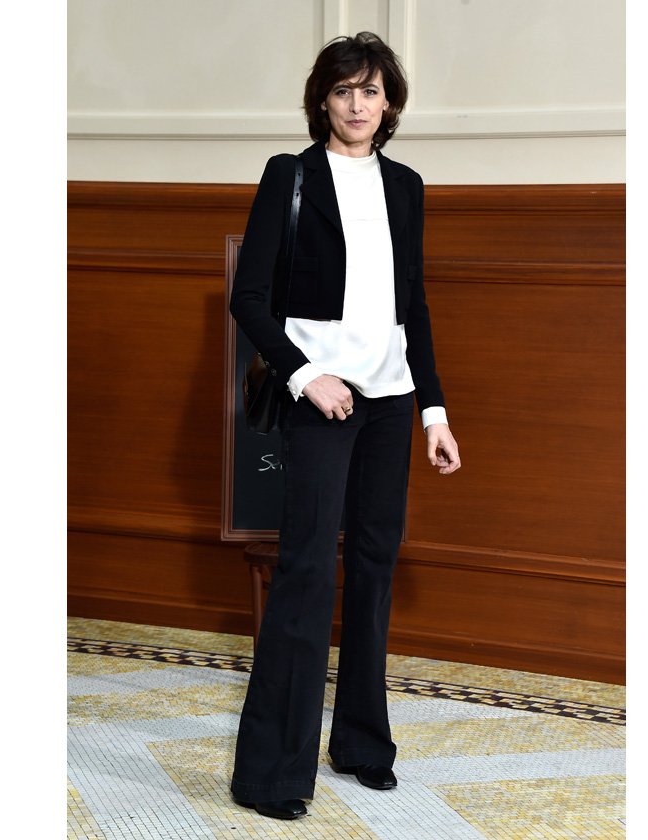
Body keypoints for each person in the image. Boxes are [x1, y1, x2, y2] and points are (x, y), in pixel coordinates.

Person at [228, 32, 461, 821]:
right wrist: (306, 376)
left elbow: (413, 307)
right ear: (321, 101)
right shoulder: (289, 176)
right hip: (321, 398)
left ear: (388, 103)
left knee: (373, 566)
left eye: (370, 91)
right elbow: (249, 298)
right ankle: (270, 775)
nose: (357, 105)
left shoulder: (406, 186)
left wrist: (433, 410)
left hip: (391, 402)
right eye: (342, 91)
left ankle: (361, 744)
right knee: (304, 572)